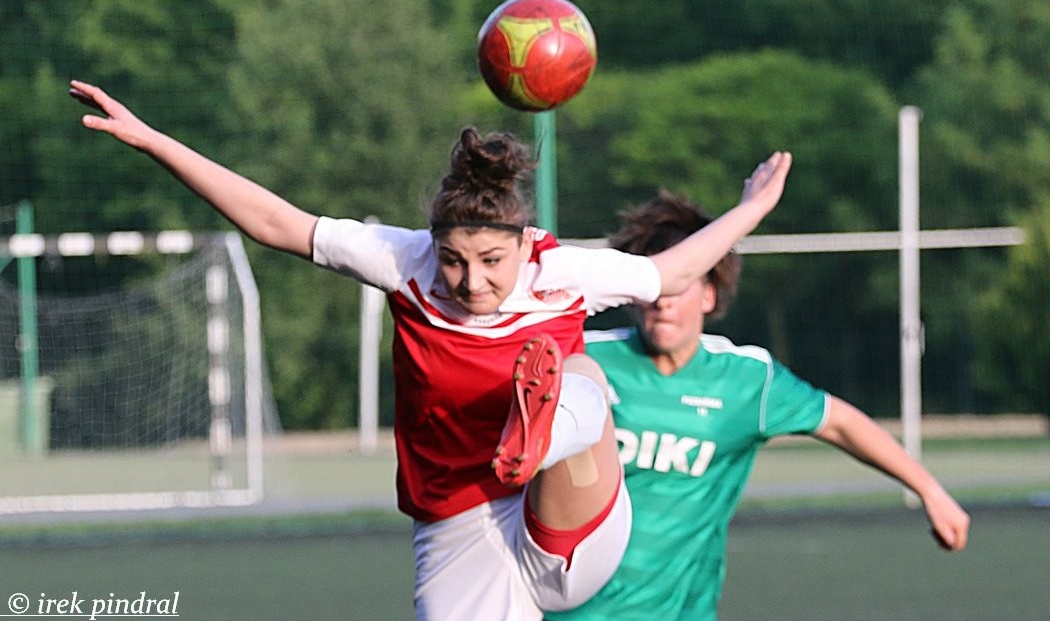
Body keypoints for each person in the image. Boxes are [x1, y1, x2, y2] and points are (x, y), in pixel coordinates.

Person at [68, 80, 792, 620]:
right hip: (459, 525)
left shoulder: (561, 271)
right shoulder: (402, 260)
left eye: (492, 262)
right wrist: (155, 141)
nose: (472, 282)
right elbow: (275, 222)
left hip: (571, 517)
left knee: (579, 372)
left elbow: (671, 273)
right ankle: (538, 426)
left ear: (523, 244)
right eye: (454, 261)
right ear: (432, 246)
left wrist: (752, 208)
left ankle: (541, 430)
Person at [549, 190, 971, 621]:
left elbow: (839, 422)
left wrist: (930, 490)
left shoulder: (748, 380)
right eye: (656, 285)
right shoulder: (582, 361)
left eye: (679, 285)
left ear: (710, 295)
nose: (664, 300)